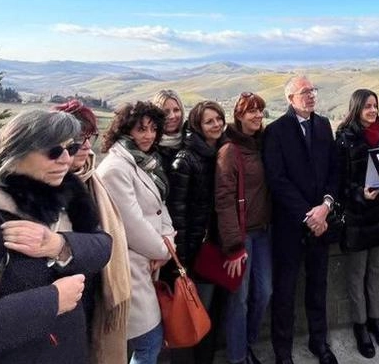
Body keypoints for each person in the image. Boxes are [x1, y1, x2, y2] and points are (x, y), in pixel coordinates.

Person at [0, 110, 112, 363]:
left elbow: (103, 245)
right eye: (53, 150)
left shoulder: (64, 196)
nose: (65, 159)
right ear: (14, 152)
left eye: (70, 149)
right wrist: (53, 301)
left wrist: (58, 245)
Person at [263, 76, 339, 364]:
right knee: (285, 292)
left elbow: (334, 170)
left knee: (318, 287)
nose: (311, 96)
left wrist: (326, 206)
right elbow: (277, 180)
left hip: (322, 222)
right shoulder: (276, 131)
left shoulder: (323, 125)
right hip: (290, 227)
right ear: (290, 98)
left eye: (313, 91)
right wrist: (309, 215)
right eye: (304, 92)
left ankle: (319, 343)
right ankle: (283, 352)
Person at [54, 99, 132, 363]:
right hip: (61, 298)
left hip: (97, 288)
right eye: (78, 139)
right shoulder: (44, 187)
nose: (87, 146)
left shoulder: (92, 179)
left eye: (91, 137)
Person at [96, 101, 175, 364]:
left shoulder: (145, 162)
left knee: (148, 342)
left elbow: (160, 207)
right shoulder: (116, 168)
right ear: (125, 130)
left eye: (153, 129)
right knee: (148, 342)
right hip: (130, 266)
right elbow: (132, 224)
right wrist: (164, 250)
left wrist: (168, 243)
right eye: (141, 129)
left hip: (149, 260)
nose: (149, 135)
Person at [334, 89, 379, 358]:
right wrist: (359, 193)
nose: (372, 111)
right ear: (356, 108)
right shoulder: (344, 138)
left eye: (375, 105)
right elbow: (339, 181)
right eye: (367, 106)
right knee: (356, 274)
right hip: (358, 218)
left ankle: (376, 320)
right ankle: (360, 326)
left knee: (377, 270)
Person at [166, 100, 227, 364]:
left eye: (218, 119)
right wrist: (183, 258)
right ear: (197, 126)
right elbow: (177, 213)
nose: (216, 125)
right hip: (196, 251)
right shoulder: (186, 160)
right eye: (209, 121)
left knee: (213, 312)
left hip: (219, 246)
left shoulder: (224, 152)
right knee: (196, 313)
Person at [216, 92, 273, 364]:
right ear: (238, 115)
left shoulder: (261, 143)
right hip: (242, 237)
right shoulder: (229, 151)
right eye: (252, 111)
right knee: (238, 300)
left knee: (264, 292)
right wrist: (234, 246)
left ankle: (248, 343)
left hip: (263, 231)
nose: (258, 116)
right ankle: (238, 356)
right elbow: (224, 200)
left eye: (261, 110)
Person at [152, 89, 186, 174]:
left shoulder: (191, 141)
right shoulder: (149, 147)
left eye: (176, 110)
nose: (172, 116)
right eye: (165, 112)